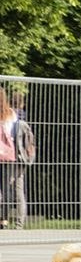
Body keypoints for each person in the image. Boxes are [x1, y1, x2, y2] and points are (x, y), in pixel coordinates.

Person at [0, 87, 30, 228]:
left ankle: (4, 220)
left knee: (5, 190)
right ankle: (16, 223)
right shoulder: (12, 114)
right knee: (15, 189)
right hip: (12, 156)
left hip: (8, 157)